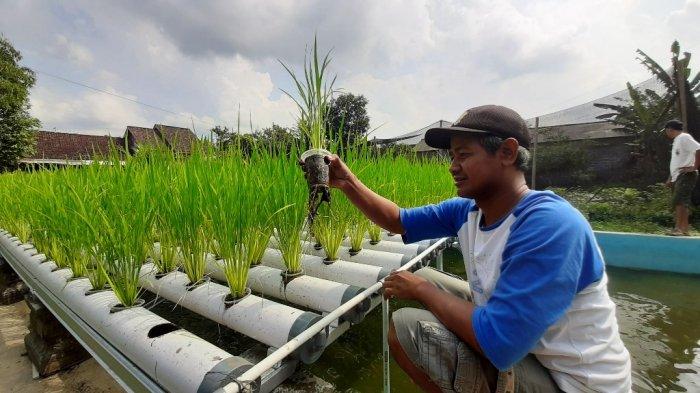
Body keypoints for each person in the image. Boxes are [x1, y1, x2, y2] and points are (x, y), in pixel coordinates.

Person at [322, 105, 631, 392]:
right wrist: (347, 182)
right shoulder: (469, 210)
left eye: (464, 155)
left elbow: (500, 344)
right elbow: (397, 220)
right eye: (452, 157)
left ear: (507, 152)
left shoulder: (549, 225)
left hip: (573, 383)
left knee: (409, 328)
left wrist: (420, 291)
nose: (453, 167)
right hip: (534, 350)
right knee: (429, 277)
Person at [664, 119, 700, 236]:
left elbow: (698, 148)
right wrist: (670, 178)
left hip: (686, 175)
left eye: (666, 130)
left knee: (680, 201)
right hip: (678, 176)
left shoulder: (684, 137)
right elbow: (676, 162)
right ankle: (684, 229)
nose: (666, 133)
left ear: (670, 129)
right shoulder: (677, 141)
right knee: (680, 202)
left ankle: (678, 229)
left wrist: (694, 167)